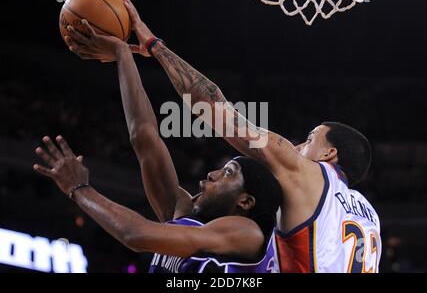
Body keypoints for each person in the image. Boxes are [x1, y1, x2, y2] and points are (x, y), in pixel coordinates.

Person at [113, 0, 380, 273]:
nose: (299, 146)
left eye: (311, 139)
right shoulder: (370, 217)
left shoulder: (308, 174)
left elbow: (216, 109)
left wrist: (154, 45)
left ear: (329, 153)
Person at [34, 23, 282, 273]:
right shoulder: (183, 212)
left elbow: (135, 235)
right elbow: (145, 138)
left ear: (246, 201)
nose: (212, 174)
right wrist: (123, 54)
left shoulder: (248, 233)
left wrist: (79, 189)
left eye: (228, 173)